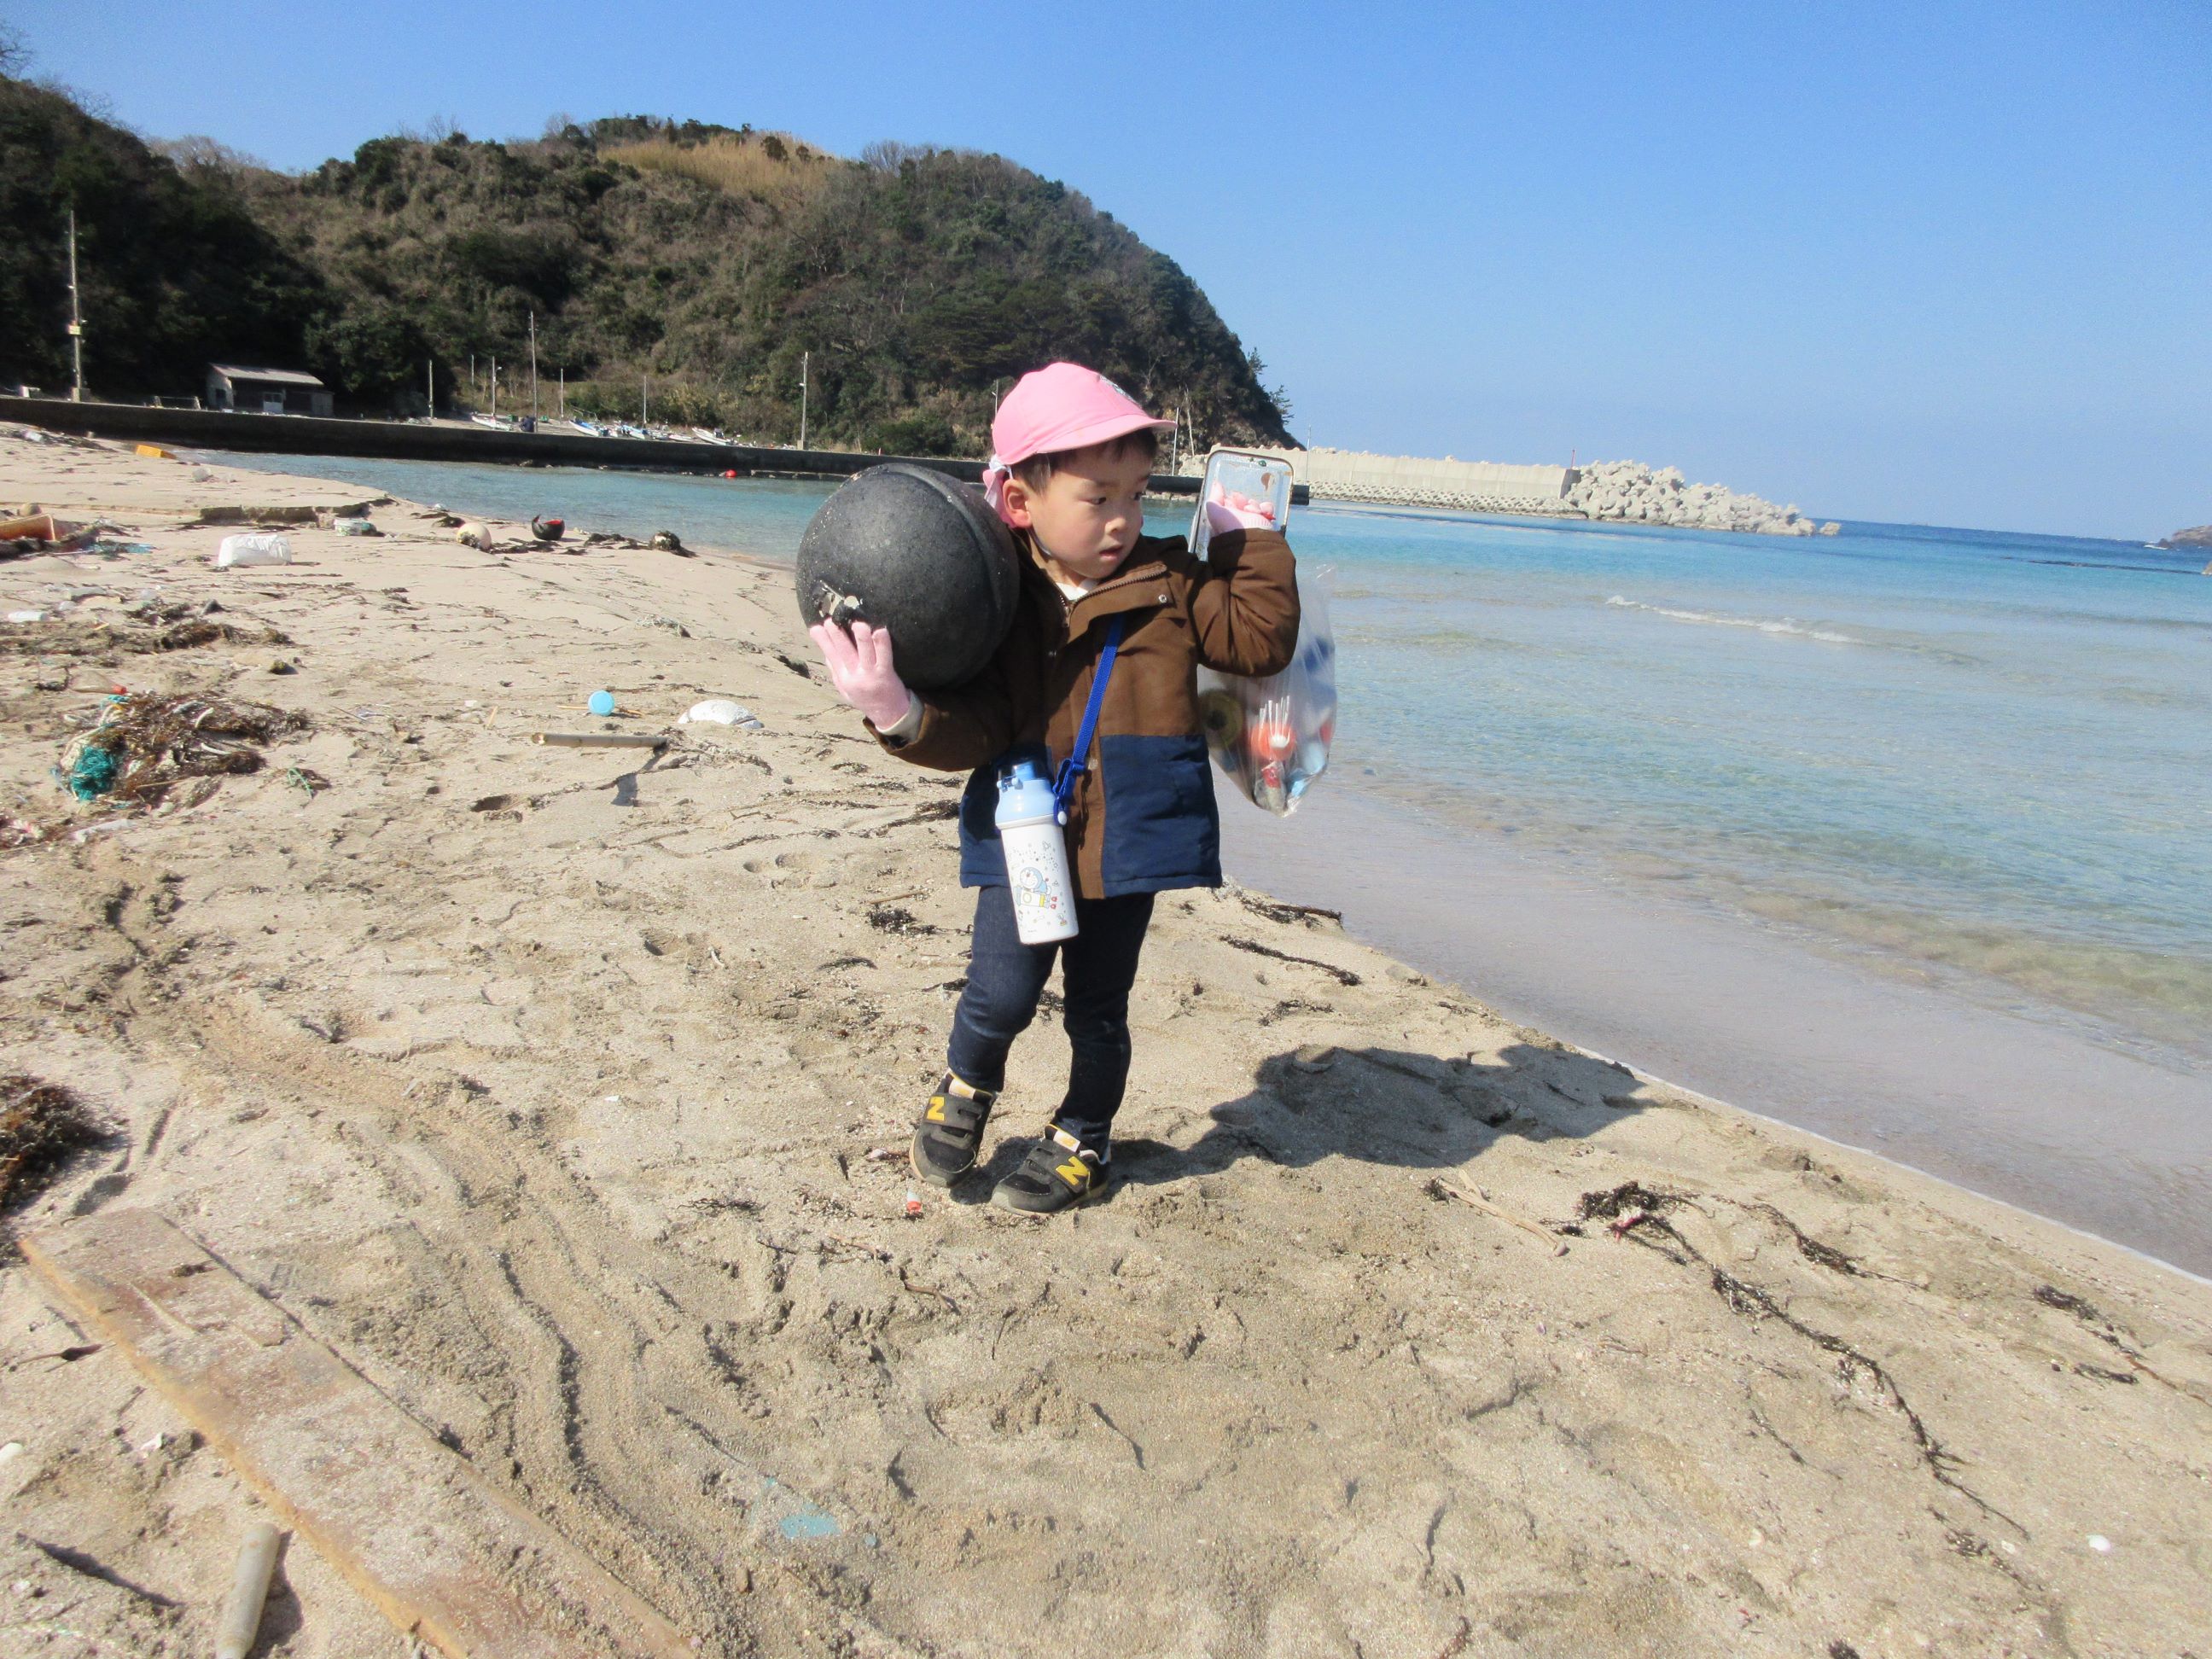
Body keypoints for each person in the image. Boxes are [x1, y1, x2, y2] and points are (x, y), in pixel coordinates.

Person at [809, 362, 1300, 1213]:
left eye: (1136, 495)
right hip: (1025, 832)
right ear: (1019, 500)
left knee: (1098, 1009)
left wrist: (1248, 537)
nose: (1123, 519)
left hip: (1128, 840)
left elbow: (1259, 642)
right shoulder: (993, 599)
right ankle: (967, 1085)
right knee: (998, 991)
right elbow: (981, 727)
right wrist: (897, 712)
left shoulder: (1174, 583)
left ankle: (1085, 1135)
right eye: (1097, 497)